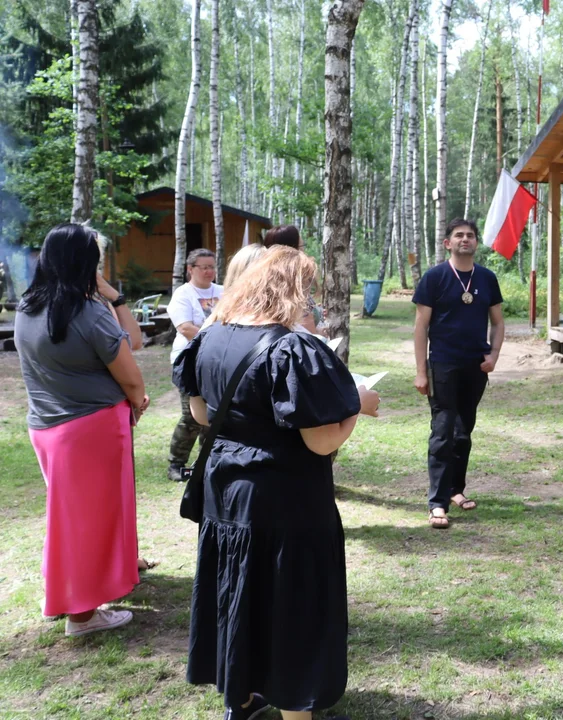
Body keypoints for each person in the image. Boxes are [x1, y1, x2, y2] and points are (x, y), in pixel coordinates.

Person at [172, 246, 378, 720]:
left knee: (240, 593)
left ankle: (241, 696)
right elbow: (322, 441)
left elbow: (202, 413)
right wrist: (356, 406)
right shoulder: (291, 346)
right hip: (285, 501)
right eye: (308, 290)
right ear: (292, 291)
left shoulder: (212, 337)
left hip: (227, 495)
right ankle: (294, 709)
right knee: (289, 601)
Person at [15, 223, 151, 637]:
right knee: (90, 521)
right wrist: (138, 400)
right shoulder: (86, 312)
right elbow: (130, 375)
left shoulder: (27, 306)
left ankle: (63, 595)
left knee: (70, 519)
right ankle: (83, 614)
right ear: (86, 262)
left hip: (46, 427)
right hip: (90, 428)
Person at [413, 219, 505, 529]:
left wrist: (493, 355)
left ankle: (456, 490)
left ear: (476, 243)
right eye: (458, 236)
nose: (465, 240)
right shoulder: (435, 277)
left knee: (463, 432)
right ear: (447, 243)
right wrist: (420, 372)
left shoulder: (487, 278)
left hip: (474, 366)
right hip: (442, 364)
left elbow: (498, 322)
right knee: (442, 432)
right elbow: (420, 326)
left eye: (470, 236)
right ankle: (437, 503)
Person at [166, 248, 222, 482]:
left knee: (214, 415)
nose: (209, 271)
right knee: (191, 417)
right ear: (190, 269)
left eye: (212, 266)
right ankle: (176, 464)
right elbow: (185, 328)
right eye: (204, 267)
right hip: (190, 362)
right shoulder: (183, 294)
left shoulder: (223, 292)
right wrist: (218, 339)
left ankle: (206, 462)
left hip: (217, 362)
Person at [264, 225, 322, 333]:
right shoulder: (295, 282)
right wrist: (320, 331)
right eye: (301, 246)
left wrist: (316, 313)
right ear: (291, 250)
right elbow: (312, 332)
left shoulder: (260, 281)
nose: (304, 251)